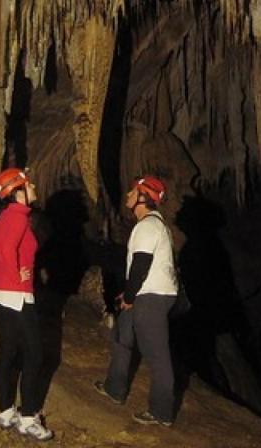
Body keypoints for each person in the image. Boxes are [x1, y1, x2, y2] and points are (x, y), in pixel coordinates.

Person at [94, 175, 178, 426]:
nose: (128, 195)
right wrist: (129, 294)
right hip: (147, 292)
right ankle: (115, 388)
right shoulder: (152, 225)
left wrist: (131, 296)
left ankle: (162, 412)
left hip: (152, 297)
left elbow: (141, 264)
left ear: (143, 197)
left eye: (133, 191)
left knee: (156, 353)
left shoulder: (148, 226)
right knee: (123, 334)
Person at [0, 167, 53, 441]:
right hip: (17, 296)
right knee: (34, 355)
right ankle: (28, 418)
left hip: (2, 295)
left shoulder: (5, 217)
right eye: (29, 185)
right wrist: (14, 277)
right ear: (18, 192)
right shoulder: (19, 217)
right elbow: (7, 250)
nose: (33, 188)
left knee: (8, 353)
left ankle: (6, 412)